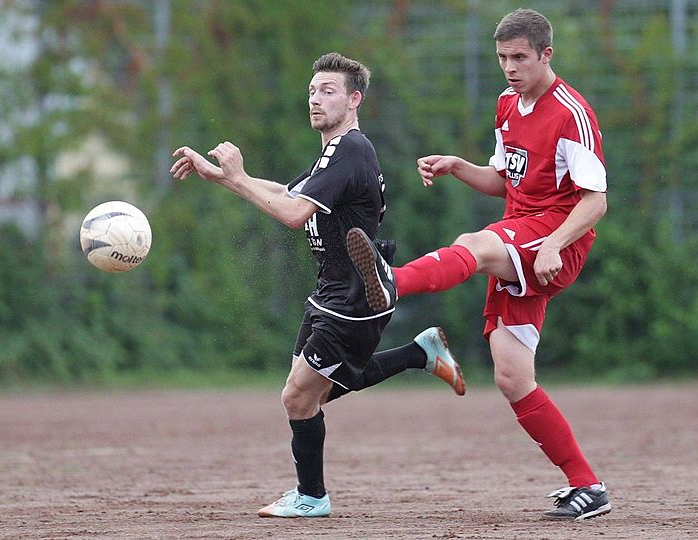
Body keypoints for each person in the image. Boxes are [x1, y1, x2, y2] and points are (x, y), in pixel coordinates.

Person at [169, 52, 466, 519]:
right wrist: (220, 177)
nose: (315, 98)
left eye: (328, 90)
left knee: (298, 396)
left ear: (354, 99)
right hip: (330, 292)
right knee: (315, 392)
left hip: (354, 297)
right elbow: (290, 194)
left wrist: (240, 177)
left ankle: (312, 497)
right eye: (312, 90)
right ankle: (418, 353)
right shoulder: (333, 152)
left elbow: (291, 215)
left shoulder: (351, 149)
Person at [345, 9, 611, 521]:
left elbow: (595, 200)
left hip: (556, 239)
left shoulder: (570, 112)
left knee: (478, 242)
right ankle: (587, 485)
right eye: (502, 58)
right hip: (525, 238)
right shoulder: (507, 105)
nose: (509, 68)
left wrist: (555, 243)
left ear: (546, 54)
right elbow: (503, 179)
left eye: (520, 58)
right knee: (512, 377)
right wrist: (458, 167)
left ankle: (392, 281)